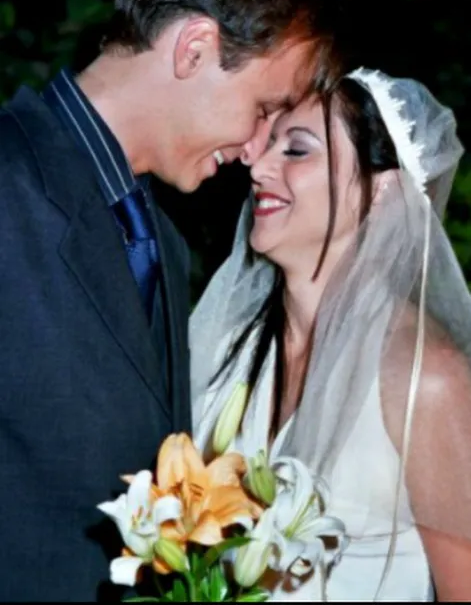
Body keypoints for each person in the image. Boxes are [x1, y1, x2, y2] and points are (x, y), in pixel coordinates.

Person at [0, 0, 345, 601]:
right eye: (264, 108)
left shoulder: (164, 242)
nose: (256, 151)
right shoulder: (9, 184)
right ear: (194, 49)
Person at [191, 68, 471, 601]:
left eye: (296, 151)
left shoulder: (425, 380)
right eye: (267, 145)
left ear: (382, 189)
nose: (259, 166)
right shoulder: (230, 347)